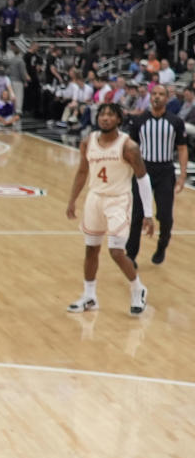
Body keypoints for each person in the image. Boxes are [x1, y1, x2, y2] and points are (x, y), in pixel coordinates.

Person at [66, 104, 154, 314]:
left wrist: (149, 214)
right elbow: (81, 172)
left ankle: (138, 289)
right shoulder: (88, 142)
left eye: (110, 115)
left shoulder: (128, 146)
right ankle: (89, 296)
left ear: (118, 120)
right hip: (95, 198)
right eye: (102, 114)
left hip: (119, 200)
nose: (105, 118)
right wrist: (72, 200)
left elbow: (143, 178)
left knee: (116, 251)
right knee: (91, 249)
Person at [125, 84, 189, 265]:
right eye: (154, 94)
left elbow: (182, 148)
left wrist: (182, 175)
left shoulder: (175, 121)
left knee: (165, 216)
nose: (157, 97)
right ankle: (131, 255)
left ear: (167, 98)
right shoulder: (139, 121)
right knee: (137, 215)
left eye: (161, 94)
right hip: (142, 171)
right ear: (150, 97)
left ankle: (162, 246)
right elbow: (131, 147)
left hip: (165, 172)